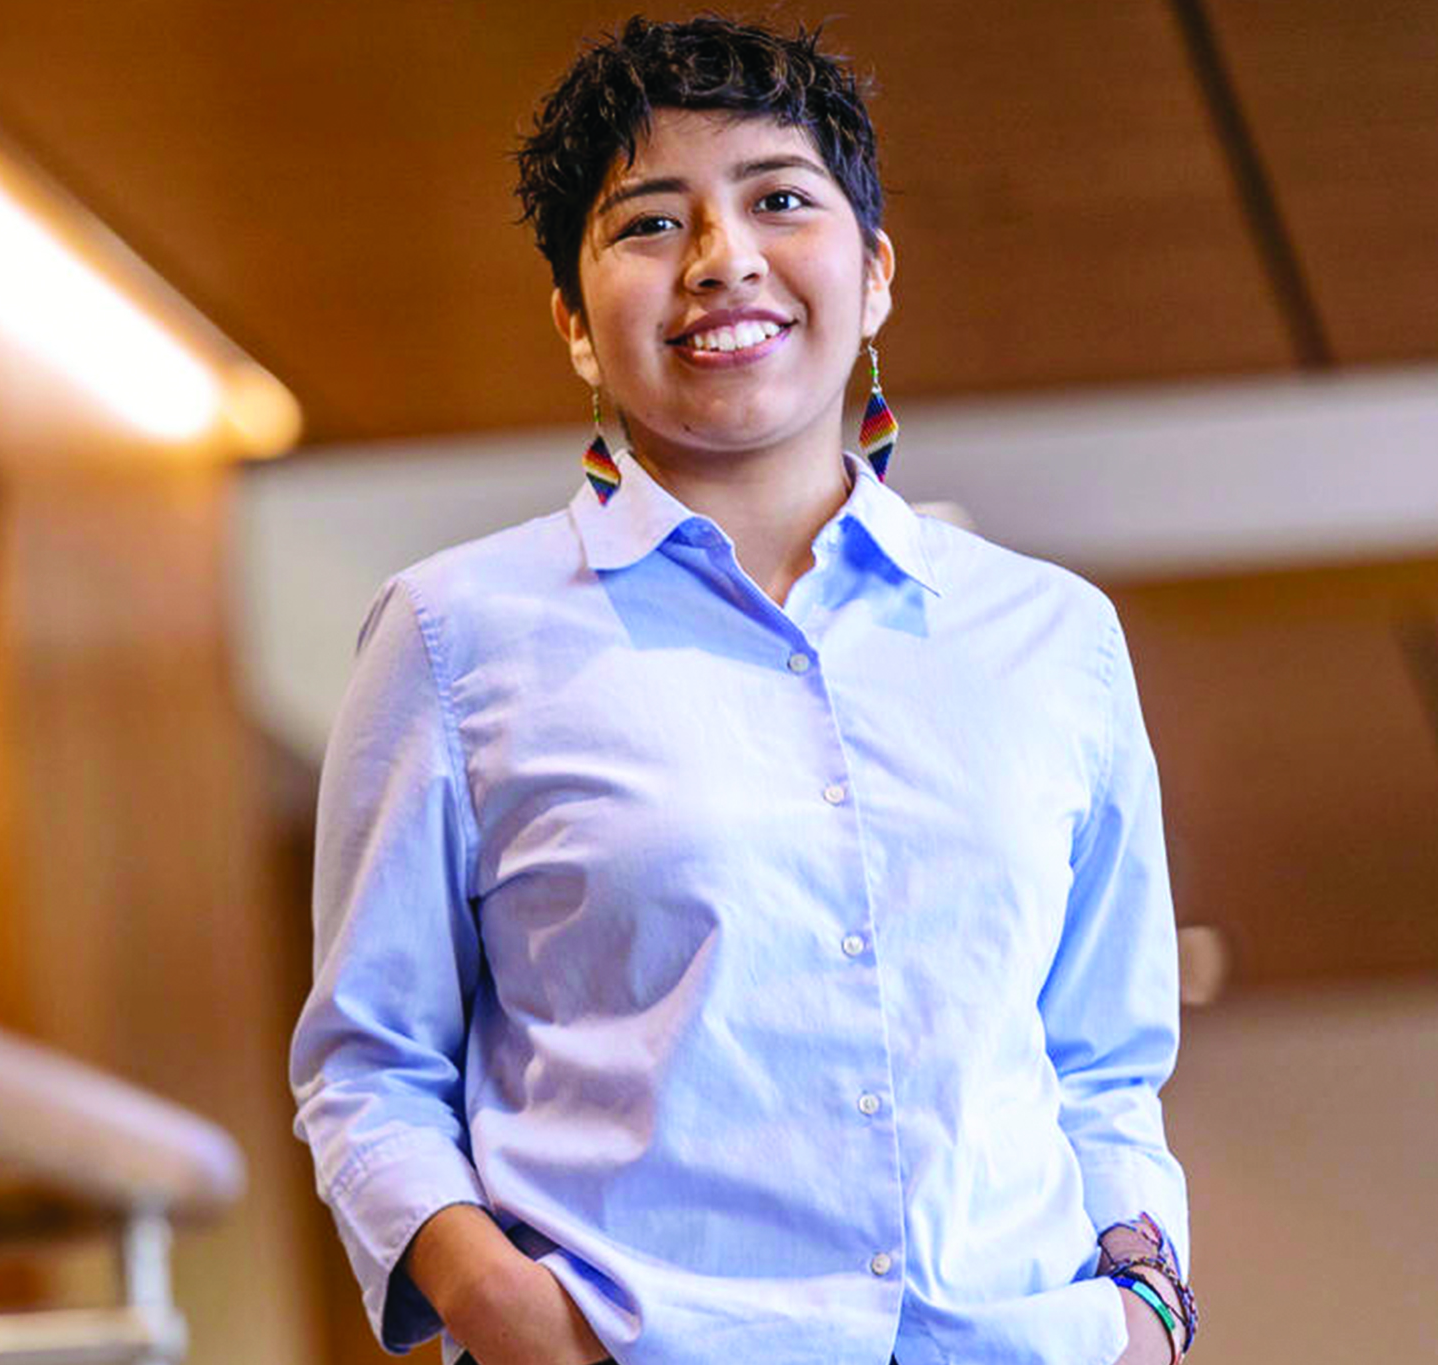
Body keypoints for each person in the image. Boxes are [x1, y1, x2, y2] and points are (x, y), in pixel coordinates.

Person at [289, 16, 1196, 1365]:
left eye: (779, 198)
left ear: (875, 271)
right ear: (575, 323)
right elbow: (368, 1068)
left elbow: (1104, 1062)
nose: (723, 261)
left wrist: (1146, 1316)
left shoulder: (1050, 636)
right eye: (648, 224)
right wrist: (505, 1310)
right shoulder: (453, 635)